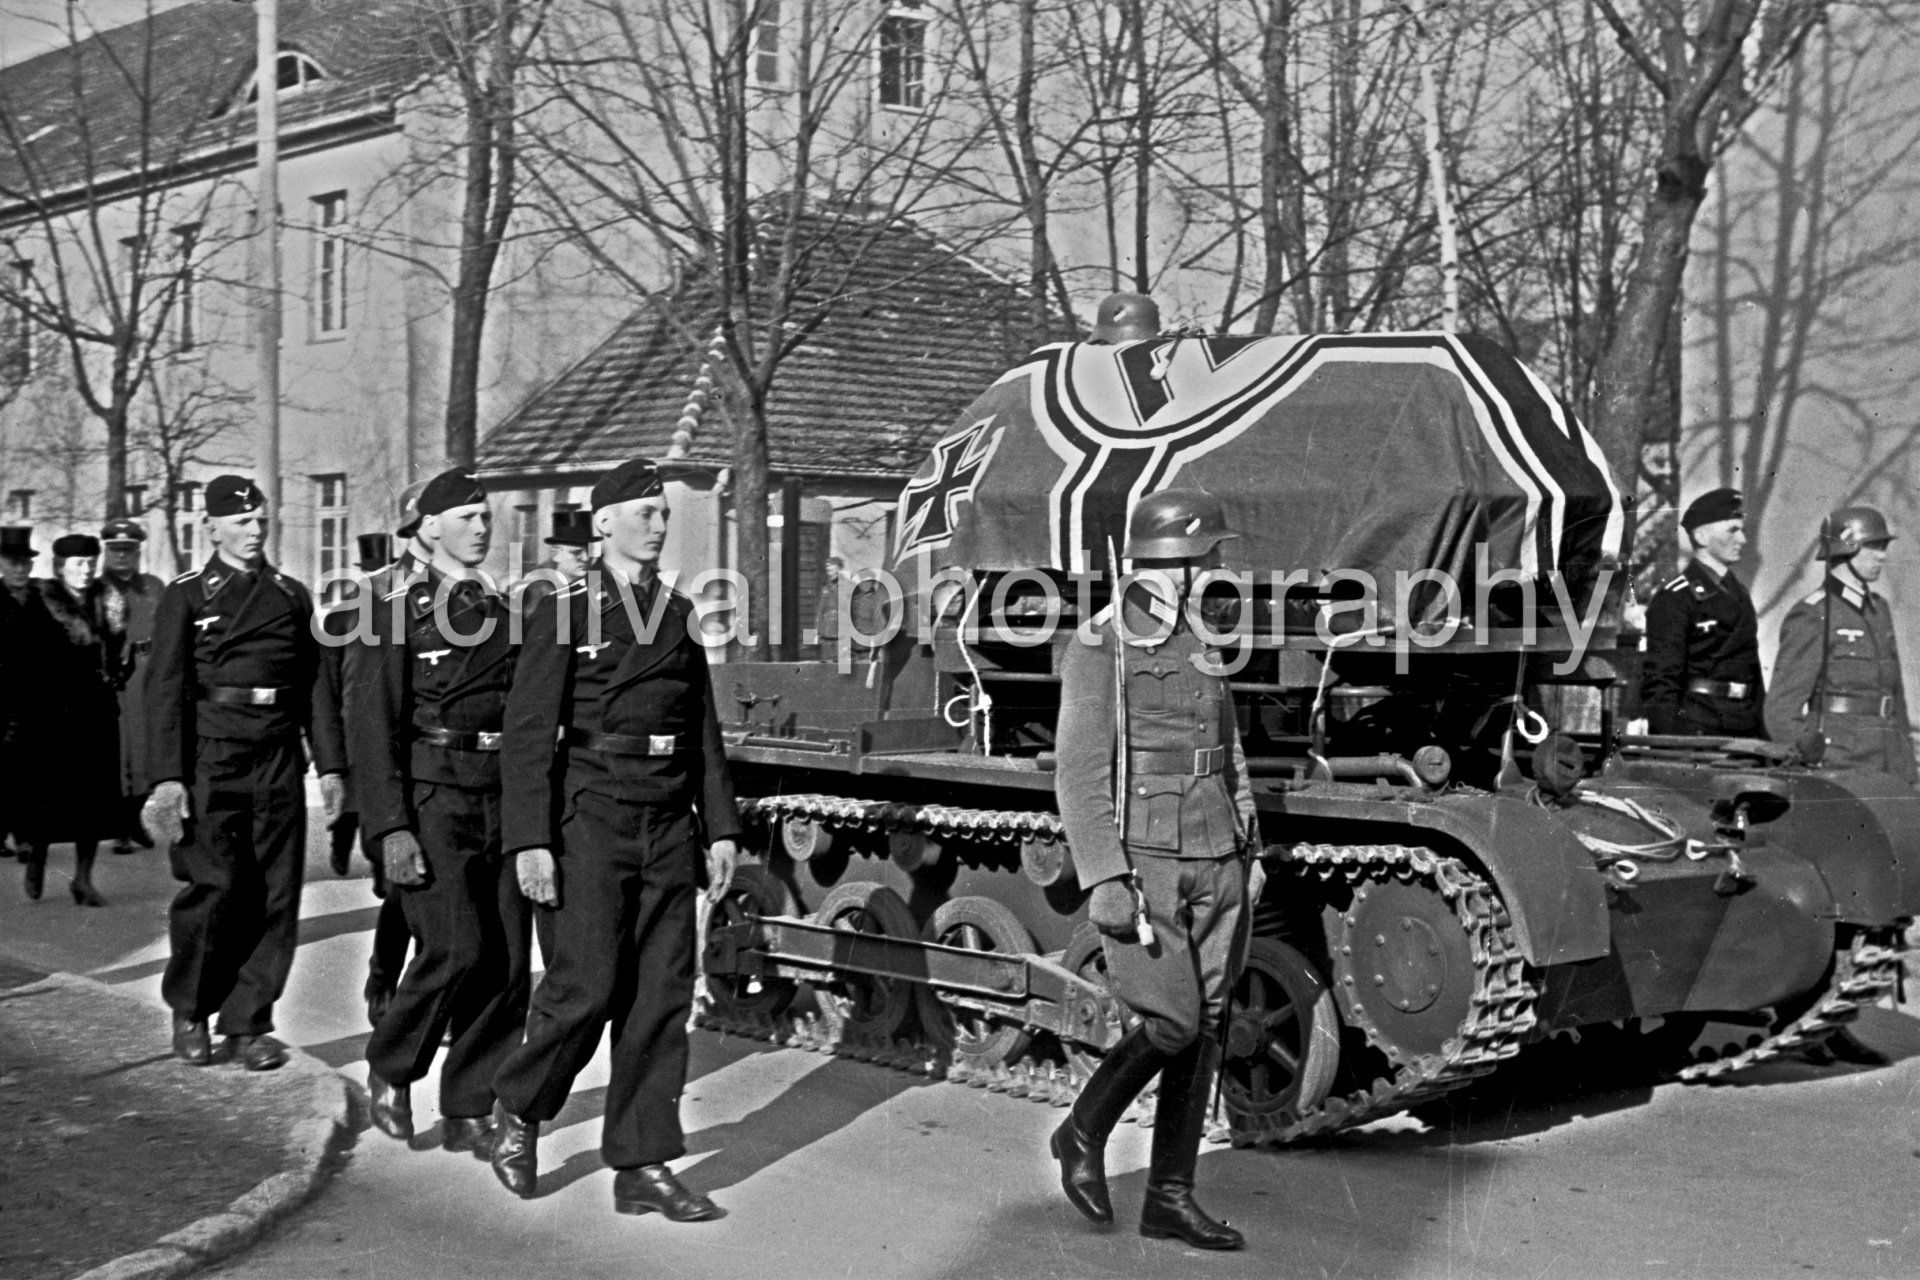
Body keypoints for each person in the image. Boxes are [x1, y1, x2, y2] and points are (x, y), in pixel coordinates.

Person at [488, 457, 741, 1221]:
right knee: (584, 987)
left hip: (666, 818)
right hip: (589, 814)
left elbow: (702, 729)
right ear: (602, 525)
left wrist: (721, 826)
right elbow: (528, 734)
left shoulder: (677, 611)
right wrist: (531, 840)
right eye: (643, 513)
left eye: (663, 513)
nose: (658, 525)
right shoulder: (563, 609)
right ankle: (521, 1106)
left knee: (660, 997)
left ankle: (643, 1162)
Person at [1048, 489, 1262, 1251]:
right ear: (1175, 561)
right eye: (1209, 560)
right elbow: (1077, 774)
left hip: (1218, 855)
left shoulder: (1206, 636)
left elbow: (1227, 748)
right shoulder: (1100, 646)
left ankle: (1169, 1194)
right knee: (1171, 1020)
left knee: (1203, 1028)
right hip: (1151, 863)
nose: (1217, 571)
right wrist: (1104, 876)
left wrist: (1251, 847)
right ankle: (1082, 1132)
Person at [349, 469, 529, 1156]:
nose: (481, 526)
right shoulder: (391, 608)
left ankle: (467, 1104)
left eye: (485, 515)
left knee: (507, 962)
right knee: (456, 946)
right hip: (432, 797)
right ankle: (392, 1064)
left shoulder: (504, 610)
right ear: (428, 528)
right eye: (465, 517)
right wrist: (390, 827)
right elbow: (371, 726)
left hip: (501, 794)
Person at [142, 475, 347, 1070]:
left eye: (260, 521)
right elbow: (164, 690)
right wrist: (167, 777)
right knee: (216, 888)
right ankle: (190, 1007)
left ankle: (248, 1022)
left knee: (276, 895)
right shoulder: (187, 596)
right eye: (240, 522)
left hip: (277, 755)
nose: (254, 531)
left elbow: (316, 688)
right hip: (213, 755)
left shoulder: (292, 595)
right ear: (212, 528)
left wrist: (331, 767)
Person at [13, 534, 122, 905]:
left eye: (91, 562)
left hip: (97, 712)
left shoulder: (108, 601)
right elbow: (22, 659)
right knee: (48, 794)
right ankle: (38, 856)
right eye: (78, 564)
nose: (86, 570)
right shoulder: (40, 602)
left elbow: (118, 652)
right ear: (60, 568)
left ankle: (83, 878)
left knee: (94, 796)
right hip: (52, 713)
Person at [1768, 507, 1915, 782]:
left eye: (1882, 546)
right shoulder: (1814, 614)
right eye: (1871, 546)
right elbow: (1780, 709)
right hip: (1839, 760)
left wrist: (1907, 768)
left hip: (1887, 759)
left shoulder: (1878, 610)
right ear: (1845, 548)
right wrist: (1810, 753)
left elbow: (1896, 699)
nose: (1881, 556)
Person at [1639, 488, 1767, 737]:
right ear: (1702, 536)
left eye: (1742, 530)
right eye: (1733, 530)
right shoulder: (1675, 598)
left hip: (1745, 724)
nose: (1743, 540)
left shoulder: (1740, 594)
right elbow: (1661, 682)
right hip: (1698, 725)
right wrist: (1669, 745)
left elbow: (1753, 673)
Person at [320, 532, 395, 878]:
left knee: (381, 796)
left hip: (384, 716)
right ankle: (341, 846)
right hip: (352, 718)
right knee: (354, 794)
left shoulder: (399, 608)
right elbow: (329, 678)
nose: (379, 576)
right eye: (373, 570)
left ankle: (382, 870)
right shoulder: (341, 616)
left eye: (385, 569)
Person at [98, 517, 166, 855]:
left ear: (138, 552)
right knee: (116, 753)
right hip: (110, 678)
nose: (122, 557)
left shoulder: (154, 587)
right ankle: (121, 827)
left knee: (145, 752)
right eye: (115, 551)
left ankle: (135, 816)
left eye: (128, 550)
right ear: (106, 552)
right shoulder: (95, 589)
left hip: (146, 674)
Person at [0, 525, 42, 860]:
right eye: (12, 562)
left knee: (30, 769)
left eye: (24, 563)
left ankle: (26, 836)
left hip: (33, 699)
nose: (19, 569)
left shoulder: (41, 601)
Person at [518, 510, 595, 617]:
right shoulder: (537, 589)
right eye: (576, 553)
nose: (586, 558)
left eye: (589, 551)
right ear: (556, 554)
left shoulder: (594, 583)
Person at [811, 555, 843, 659]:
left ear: (840, 569)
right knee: (825, 662)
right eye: (829, 570)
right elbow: (820, 611)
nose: (831, 572)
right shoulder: (825, 587)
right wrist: (816, 632)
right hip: (827, 632)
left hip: (842, 632)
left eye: (833, 569)